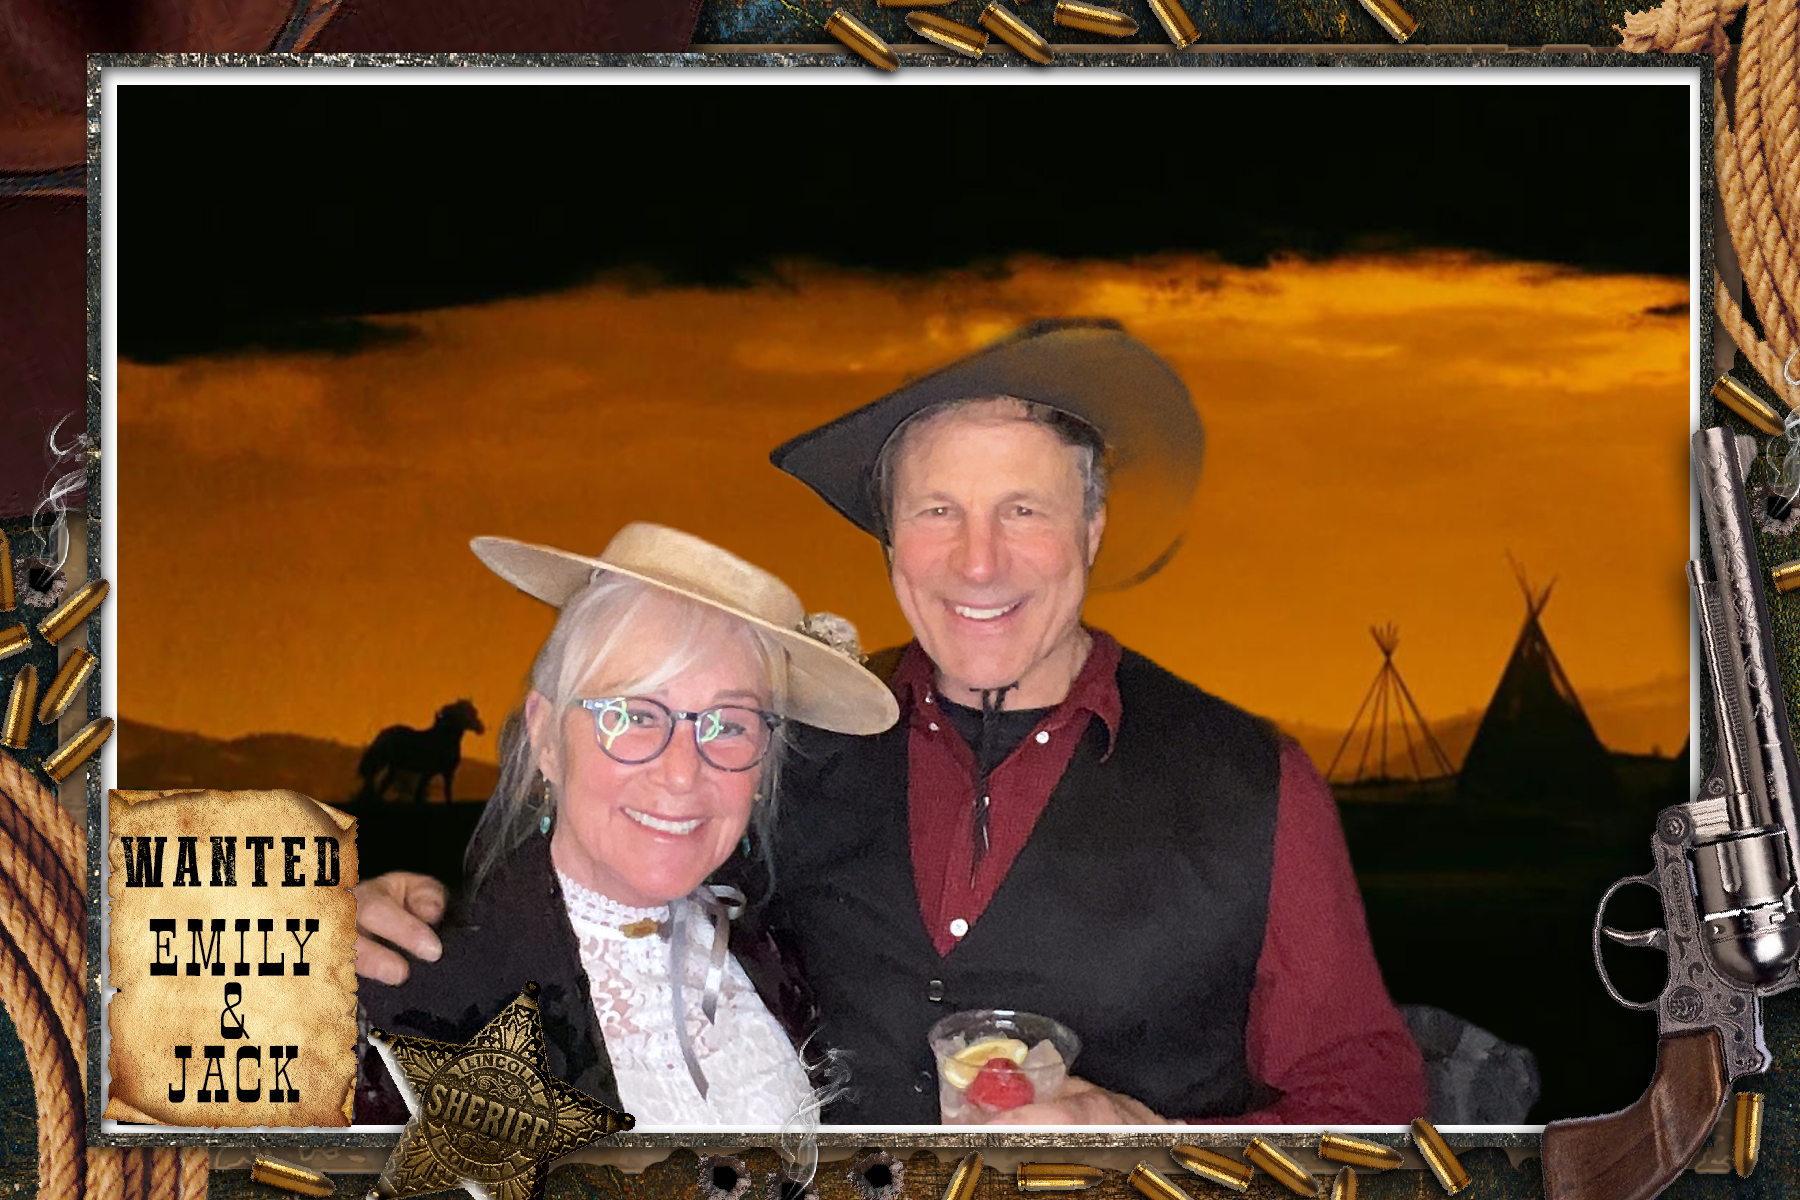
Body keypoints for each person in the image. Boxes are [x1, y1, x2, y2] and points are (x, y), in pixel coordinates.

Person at [359, 320, 1428, 1125]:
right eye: (936, 512)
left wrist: (1160, 1150)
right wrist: (352, 931)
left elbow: (1371, 1096)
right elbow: (605, 888)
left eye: (1023, 510)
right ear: (889, 542)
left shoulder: (1254, 783)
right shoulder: (776, 746)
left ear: (1093, 528)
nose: (978, 562)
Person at [354, 523, 897, 1127]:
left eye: (728, 724)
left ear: (765, 765)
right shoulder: (413, 999)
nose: (682, 773)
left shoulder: (791, 949)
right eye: (635, 715)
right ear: (546, 737)